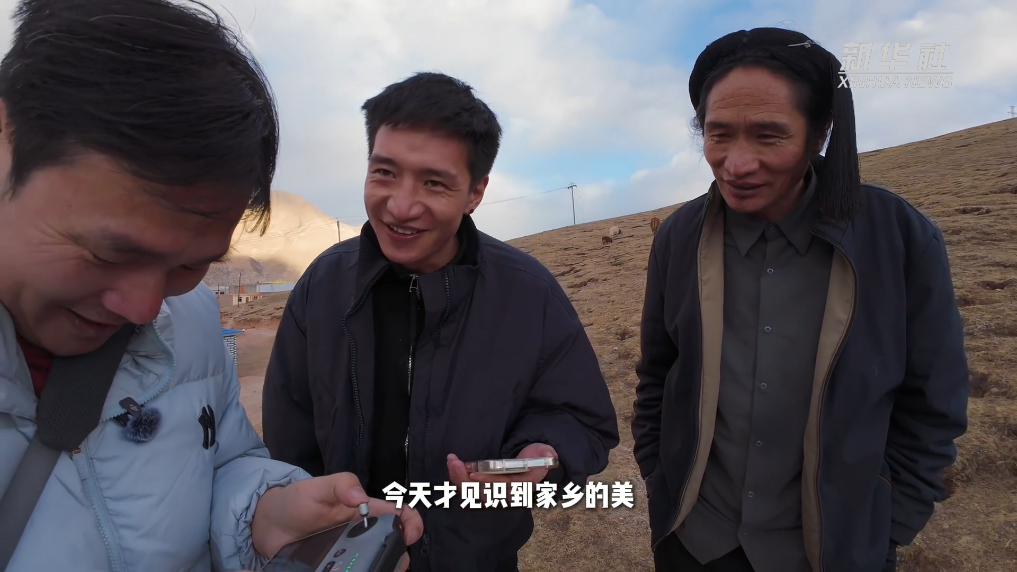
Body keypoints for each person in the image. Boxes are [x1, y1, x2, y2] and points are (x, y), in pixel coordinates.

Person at [0, 1, 421, 570]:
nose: (146, 307)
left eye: (188, 265)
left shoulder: (191, 317)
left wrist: (264, 512)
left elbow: (220, 463)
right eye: (110, 253)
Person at [631, 28, 968, 572]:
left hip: (830, 551)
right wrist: (659, 478)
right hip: (696, 541)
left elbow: (933, 403)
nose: (737, 164)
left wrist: (887, 524)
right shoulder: (678, 237)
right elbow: (657, 375)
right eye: (719, 135)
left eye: (768, 136)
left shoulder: (898, 237)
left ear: (820, 133)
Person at [262, 71, 620, 572]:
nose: (401, 206)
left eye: (434, 183)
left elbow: (581, 422)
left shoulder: (528, 294)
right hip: (342, 558)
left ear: (475, 192)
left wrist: (544, 456)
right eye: (384, 173)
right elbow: (288, 442)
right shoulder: (323, 286)